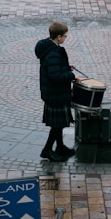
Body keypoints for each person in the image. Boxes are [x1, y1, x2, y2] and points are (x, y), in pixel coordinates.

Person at [34, 22, 80, 163]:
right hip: (56, 94)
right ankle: (47, 150)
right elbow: (55, 76)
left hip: (55, 93)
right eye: (65, 36)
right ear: (59, 37)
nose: (66, 38)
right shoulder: (53, 53)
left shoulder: (51, 48)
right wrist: (71, 76)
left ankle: (60, 146)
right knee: (57, 125)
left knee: (59, 124)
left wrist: (66, 67)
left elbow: (56, 69)